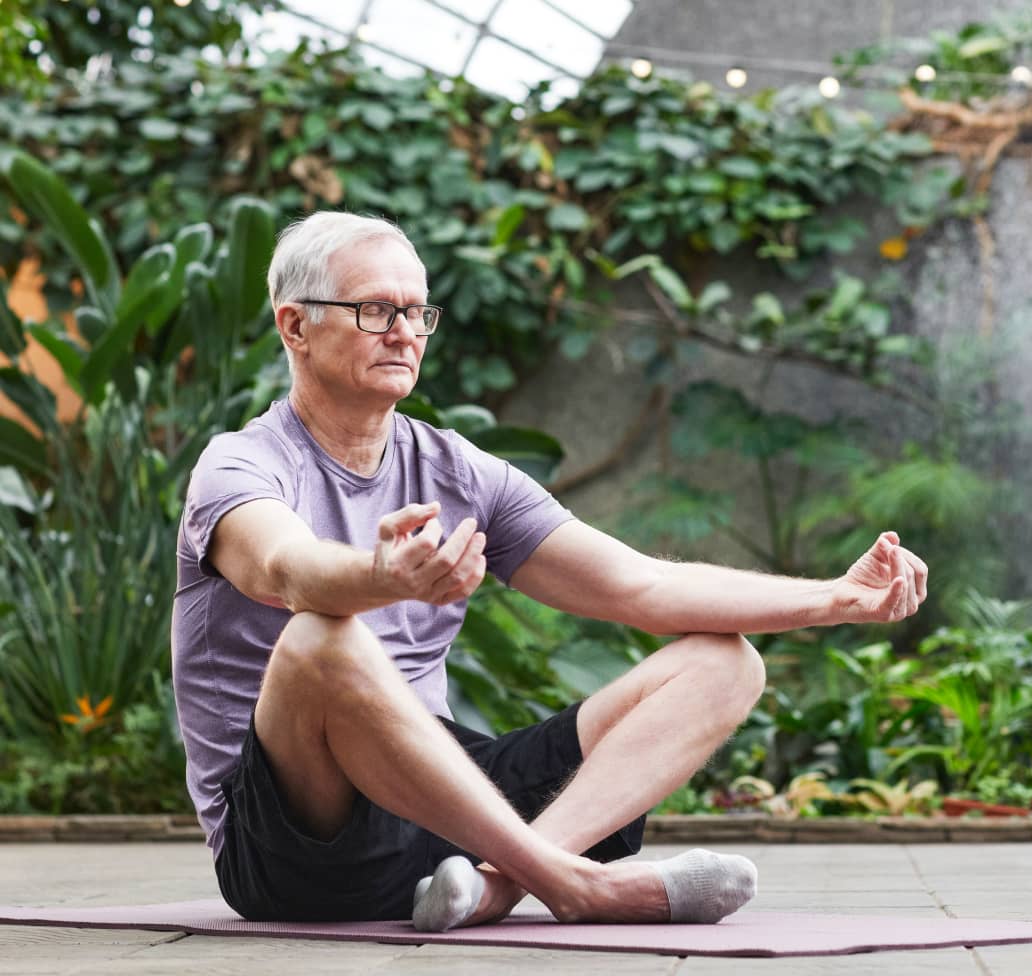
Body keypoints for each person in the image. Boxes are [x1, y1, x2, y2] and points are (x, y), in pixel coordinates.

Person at [171, 212, 928, 932]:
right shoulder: (241, 465)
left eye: (417, 312)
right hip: (295, 847)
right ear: (295, 325)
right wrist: (387, 574)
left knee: (724, 662)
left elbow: (640, 587)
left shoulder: (457, 468)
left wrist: (835, 598)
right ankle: (572, 884)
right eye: (375, 310)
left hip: (446, 822)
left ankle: (499, 884)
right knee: (319, 642)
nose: (404, 332)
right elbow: (288, 570)